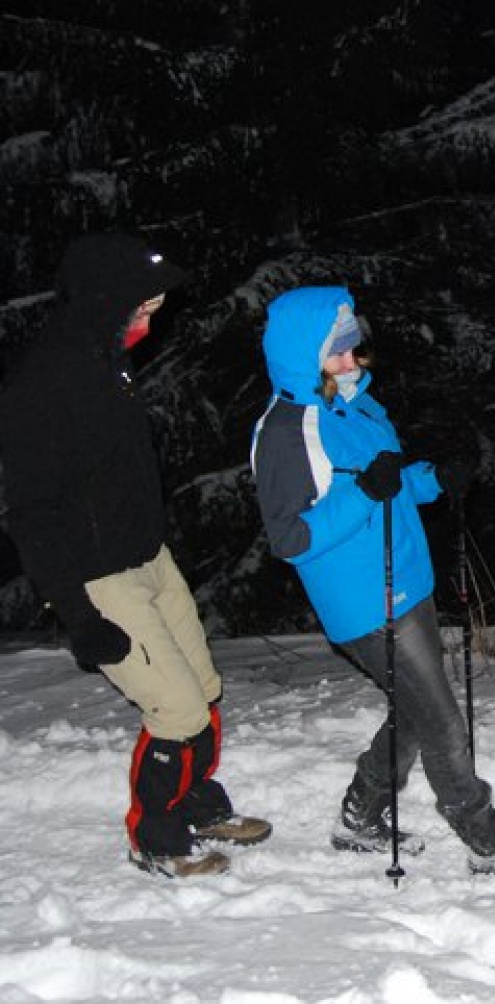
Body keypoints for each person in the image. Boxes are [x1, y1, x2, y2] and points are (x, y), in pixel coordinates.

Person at [249, 285, 495, 877]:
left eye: (353, 349)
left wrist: (436, 479)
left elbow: (387, 485)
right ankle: (481, 833)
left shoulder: (359, 402)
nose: (350, 362)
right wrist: (366, 491)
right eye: (336, 353)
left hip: (407, 577)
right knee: (439, 717)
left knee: (418, 708)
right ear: (302, 353)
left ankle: (361, 814)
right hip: (363, 599)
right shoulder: (286, 432)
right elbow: (292, 538)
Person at [0, 233, 271, 878]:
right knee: (173, 710)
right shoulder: (38, 387)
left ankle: (198, 803)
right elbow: (33, 513)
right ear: (102, 303)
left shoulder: (104, 364)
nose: (150, 323)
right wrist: (76, 613)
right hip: (101, 579)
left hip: (149, 559)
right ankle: (155, 838)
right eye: (141, 309)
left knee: (202, 692)